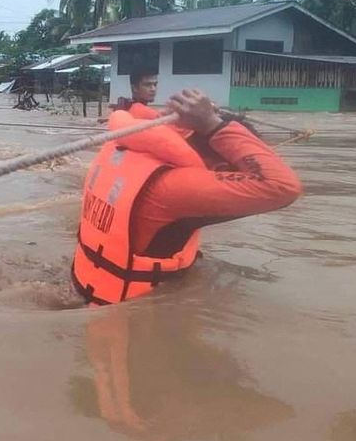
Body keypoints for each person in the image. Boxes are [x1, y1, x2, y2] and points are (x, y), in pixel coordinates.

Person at [71, 88, 303, 305]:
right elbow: (281, 186)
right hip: (135, 311)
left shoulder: (137, 155)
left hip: (87, 286)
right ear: (222, 167)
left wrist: (206, 121)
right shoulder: (176, 188)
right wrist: (213, 125)